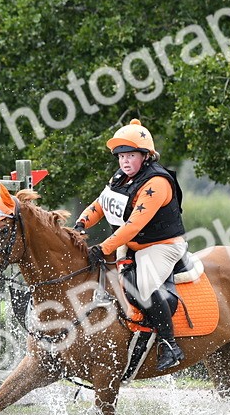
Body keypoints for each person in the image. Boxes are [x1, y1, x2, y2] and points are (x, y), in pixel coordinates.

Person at [75, 118, 187, 371]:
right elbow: (102, 204)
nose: (125, 161)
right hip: (132, 245)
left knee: (141, 286)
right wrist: (81, 224)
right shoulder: (120, 178)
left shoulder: (156, 183)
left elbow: (134, 225)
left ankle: (169, 345)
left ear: (146, 156)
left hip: (161, 246)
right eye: (121, 156)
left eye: (131, 155)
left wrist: (104, 247)